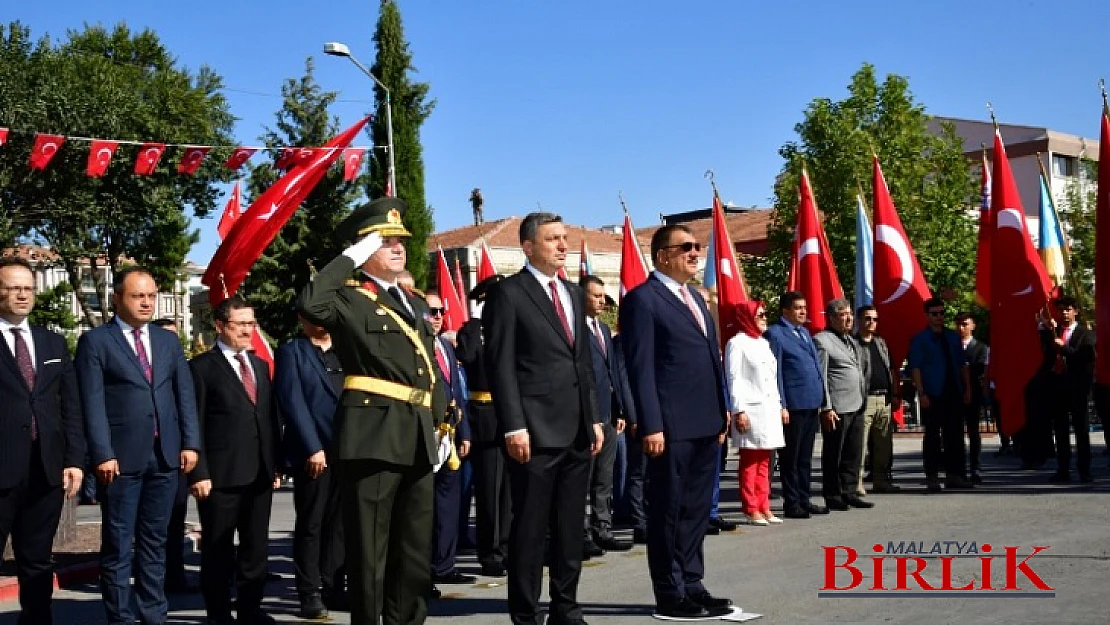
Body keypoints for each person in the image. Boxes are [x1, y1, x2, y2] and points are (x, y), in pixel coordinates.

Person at [297, 197, 446, 625]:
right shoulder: (347, 298)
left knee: (413, 551)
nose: (397, 247)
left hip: (417, 434)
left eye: (400, 240)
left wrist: (442, 418)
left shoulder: (415, 302)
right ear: (364, 250)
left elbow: (426, 368)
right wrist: (350, 257)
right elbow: (311, 304)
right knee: (370, 553)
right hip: (373, 435)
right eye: (385, 241)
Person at [484, 212, 603, 625]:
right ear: (529, 247)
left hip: (575, 431)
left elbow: (582, 362)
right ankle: (525, 612)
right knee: (531, 529)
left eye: (564, 238)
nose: (563, 245)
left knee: (571, 527)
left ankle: (566, 608)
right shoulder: (510, 294)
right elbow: (501, 366)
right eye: (553, 239)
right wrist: (514, 424)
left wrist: (594, 419)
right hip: (533, 432)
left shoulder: (572, 293)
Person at [76, 266, 200, 625]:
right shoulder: (96, 342)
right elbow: (92, 402)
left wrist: (190, 442)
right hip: (120, 460)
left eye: (150, 295)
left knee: (155, 542)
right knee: (117, 543)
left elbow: (184, 395)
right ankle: (120, 617)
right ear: (117, 299)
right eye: (137, 296)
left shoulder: (167, 341)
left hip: (165, 457)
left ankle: (153, 613)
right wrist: (101, 452)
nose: (146, 302)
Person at [621, 224, 733, 620]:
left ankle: (692, 582)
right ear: (662, 256)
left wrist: (723, 410)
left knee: (696, 510)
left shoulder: (697, 301)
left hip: (706, 423)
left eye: (697, 246)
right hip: (669, 427)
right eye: (685, 247)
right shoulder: (643, 301)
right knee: (668, 511)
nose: (694, 252)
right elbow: (642, 368)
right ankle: (669, 592)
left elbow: (711, 359)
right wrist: (651, 424)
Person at [0, 256, 85, 625]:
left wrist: (74, 459)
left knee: (36, 560)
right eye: (13, 288)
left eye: (28, 289)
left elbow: (70, 405)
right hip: (1, 470)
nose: (22, 295)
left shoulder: (52, 342)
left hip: (45, 470)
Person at [188, 296, 282, 625]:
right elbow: (194, 422)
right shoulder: (201, 368)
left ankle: (250, 609)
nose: (247, 330)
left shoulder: (257, 365)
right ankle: (218, 614)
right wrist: (198, 472)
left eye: (251, 324)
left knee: (256, 549)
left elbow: (269, 417)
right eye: (241, 324)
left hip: (259, 474)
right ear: (220, 326)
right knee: (218, 550)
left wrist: (276, 464)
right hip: (220, 477)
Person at [275, 315, 346, 619]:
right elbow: (293, 401)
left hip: (347, 450)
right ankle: (309, 591)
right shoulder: (293, 351)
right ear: (302, 319)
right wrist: (312, 447)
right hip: (313, 453)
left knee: (339, 525)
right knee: (311, 524)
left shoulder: (346, 349)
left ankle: (333, 585)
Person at [455, 276, 511, 578]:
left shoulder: (511, 327)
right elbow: (467, 357)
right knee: (490, 490)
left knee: (509, 492)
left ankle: (508, 546)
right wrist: (478, 328)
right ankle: (490, 553)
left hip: (512, 417)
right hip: (486, 414)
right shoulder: (472, 330)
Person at [580, 275, 634, 552]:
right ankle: (583, 534)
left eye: (603, 296)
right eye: (596, 296)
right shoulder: (576, 329)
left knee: (605, 477)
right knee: (584, 479)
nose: (602, 301)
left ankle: (604, 528)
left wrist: (620, 409)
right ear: (582, 297)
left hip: (610, 414)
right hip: (588, 416)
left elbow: (614, 372)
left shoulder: (602, 328)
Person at [425, 291, 475, 588]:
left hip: (451, 435)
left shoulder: (446, 346)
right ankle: (424, 570)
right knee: (426, 508)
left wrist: (464, 432)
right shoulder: (416, 347)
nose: (438, 316)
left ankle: (445, 565)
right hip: (427, 434)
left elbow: (459, 393)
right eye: (432, 311)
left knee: (448, 504)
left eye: (441, 311)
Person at [764, 292, 827, 519]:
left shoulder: (803, 332)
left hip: (810, 402)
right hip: (792, 405)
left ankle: (804, 498)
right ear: (785, 311)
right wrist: (781, 404)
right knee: (790, 457)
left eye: (804, 307)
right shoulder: (776, 334)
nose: (803, 312)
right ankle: (792, 503)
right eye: (798, 308)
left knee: (805, 457)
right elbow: (776, 372)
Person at [723, 300, 785, 526]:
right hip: (751, 409)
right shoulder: (737, 343)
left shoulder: (763, 343)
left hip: (768, 409)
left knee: (765, 460)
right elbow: (734, 378)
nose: (763, 318)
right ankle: (751, 507)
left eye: (764, 314)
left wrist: (779, 406)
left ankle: (764, 504)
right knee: (751, 459)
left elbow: (772, 379)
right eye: (759, 314)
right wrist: (738, 409)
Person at [812, 299, 873, 511]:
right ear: (831, 318)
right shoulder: (822, 341)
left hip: (856, 404)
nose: (848, 319)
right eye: (842, 315)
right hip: (837, 407)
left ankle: (849, 491)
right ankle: (832, 493)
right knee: (834, 453)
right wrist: (826, 407)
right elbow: (821, 375)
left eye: (849, 314)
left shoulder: (851, 340)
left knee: (853, 453)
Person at [908, 297, 973, 492]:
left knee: (955, 435)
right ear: (927, 316)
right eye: (935, 314)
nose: (939, 317)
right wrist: (921, 392)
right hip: (933, 392)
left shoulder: (953, 337)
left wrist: (968, 388)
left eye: (942, 313)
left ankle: (955, 475)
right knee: (933, 437)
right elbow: (916, 368)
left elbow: (963, 364)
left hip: (953, 391)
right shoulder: (920, 339)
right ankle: (932, 476)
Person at [1047, 296, 1095, 483]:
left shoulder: (1086, 333)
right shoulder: (1054, 332)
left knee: (1081, 430)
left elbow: (1085, 357)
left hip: (1077, 387)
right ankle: (1063, 468)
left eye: (1068, 309)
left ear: (1076, 311)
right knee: (1060, 430)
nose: (1064, 313)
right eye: (1061, 310)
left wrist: (1064, 348)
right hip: (1058, 387)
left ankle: (1084, 469)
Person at [854, 306, 899, 494]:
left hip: (884, 399)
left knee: (884, 444)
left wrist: (895, 394)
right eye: (867, 319)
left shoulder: (881, 343)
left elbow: (891, 369)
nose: (871, 323)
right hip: (865, 399)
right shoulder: (853, 344)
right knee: (860, 444)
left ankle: (881, 479)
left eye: (875, 319)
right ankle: (857, 482)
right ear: (858, 320)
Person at [955, 312, 989, 484]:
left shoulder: (981, 348)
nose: (962, 328)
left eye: (965, 324)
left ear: (973, 326)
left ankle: (975, 467)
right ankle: (957, 468)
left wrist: (966, 369)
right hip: (954, 394)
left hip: (973, 394)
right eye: (959, 324)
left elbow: (980, 369)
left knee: (973, 432)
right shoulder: (952, 346)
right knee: (955, 433)